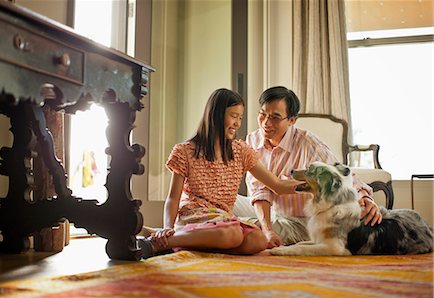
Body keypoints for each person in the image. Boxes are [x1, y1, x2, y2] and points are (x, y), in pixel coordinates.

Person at [138, 88, 304, 258]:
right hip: (195, 215)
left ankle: (187, 243)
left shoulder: (241, 151)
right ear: (215, 114)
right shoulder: (184, 151)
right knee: (231, 233)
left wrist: (310, 186)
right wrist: (168, 228)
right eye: (233, 116)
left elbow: (277, 185)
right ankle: (160, 242)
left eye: (240, 117)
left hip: (223, 217)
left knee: (258, 239)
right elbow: (173, 198)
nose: (238, 123)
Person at [243, 86, 383, 249]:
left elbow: (339, 175)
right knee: (228, 209)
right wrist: (268, 229)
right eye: (262, 114)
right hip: (269, 211)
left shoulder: (308, 145)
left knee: (245, 230)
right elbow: (259, 190)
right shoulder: (252, 140)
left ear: (291, 120)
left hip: (301, 220)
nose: (266, 123)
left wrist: (365, 198)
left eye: (275, 117)